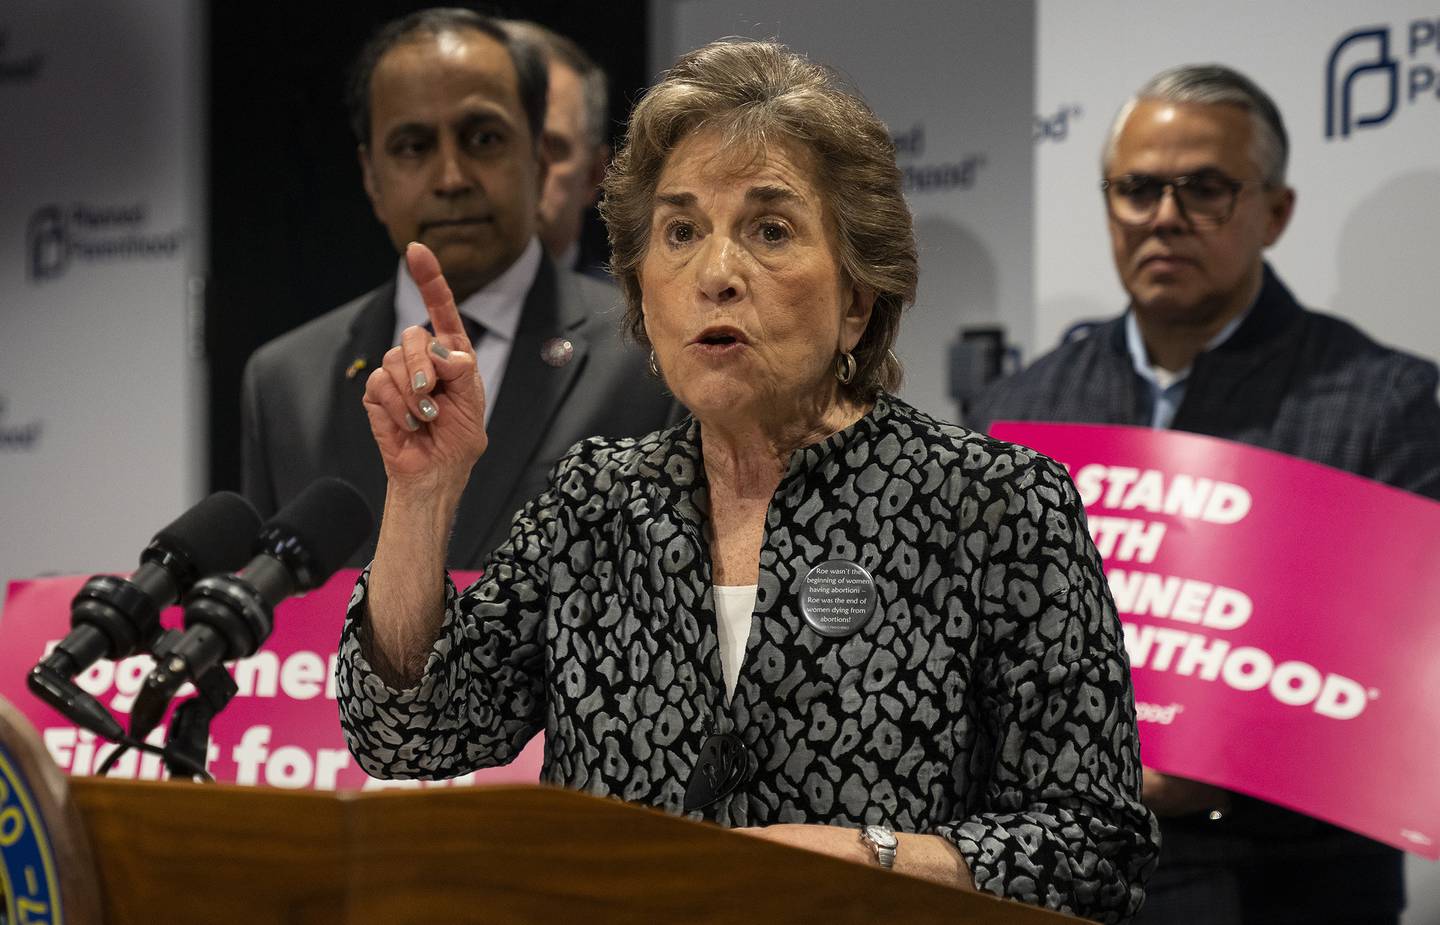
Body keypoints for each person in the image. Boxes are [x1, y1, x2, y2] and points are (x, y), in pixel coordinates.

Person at [337, 38, 1158, 921]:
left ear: (857, 300)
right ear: (642, 293)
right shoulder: (593, 504)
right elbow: (409, 732)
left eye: (770, 229)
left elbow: (1096, 847)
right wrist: (422, 493)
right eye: (680, 232)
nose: (716, 274)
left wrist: (871, 858)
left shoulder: (995, 507)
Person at [968, 64, 1440, 925]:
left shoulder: (1386, 403)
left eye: (1206, 189)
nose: (1165, 216)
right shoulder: (1018, 410)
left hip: (1290, 891)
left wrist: (1228, 769)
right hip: (1061, 887)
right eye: (1137, 189)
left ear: (1276, 212)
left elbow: (1400, 702)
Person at [239, 9, 673, 568]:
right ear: (371, 177)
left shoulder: (647, 351)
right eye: (413, 146)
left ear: (538, 158)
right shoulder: (283, 382)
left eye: (484, 138)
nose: (451, 178)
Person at [501, 20, 611, 273]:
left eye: (550, 148)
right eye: (491, 141)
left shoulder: (638, 301)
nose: (526, 170)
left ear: (593, 175)